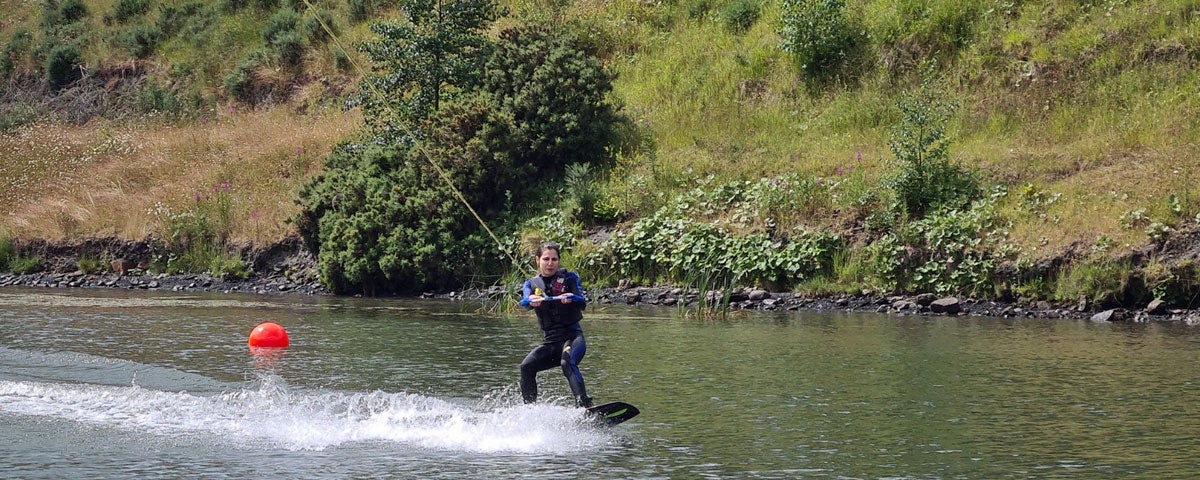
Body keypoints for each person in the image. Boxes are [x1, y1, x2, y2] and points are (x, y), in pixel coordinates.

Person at [517, 242, 593, 408]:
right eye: (546, 259)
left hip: (572, 339)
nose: (550, 263)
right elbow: (524, 302)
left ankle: (584, 405)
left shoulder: (570, 279)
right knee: (526, 367)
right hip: (551, 343)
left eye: (554, 259)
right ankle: (530, 411)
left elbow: (582, 302)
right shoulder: (531, 285)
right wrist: (531, 300)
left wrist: (571, 297)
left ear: (558, 261)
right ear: (538, 260)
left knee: (567, 363)